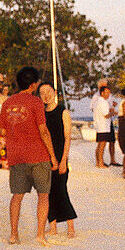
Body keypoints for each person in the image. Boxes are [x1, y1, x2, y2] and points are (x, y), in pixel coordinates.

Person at [0, 66, 58, 246]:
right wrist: (53, 157)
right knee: (43, 195)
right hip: (38, 155)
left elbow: (2, 129)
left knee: (17, 195)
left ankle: (14, 234)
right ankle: (40, 234)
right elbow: (43, 131)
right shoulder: (36, 103)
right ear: (33, 84)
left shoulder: (8, 103)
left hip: (17, 156)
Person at [38, 81, 77, 237]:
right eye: (42, 93)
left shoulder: (63, 112)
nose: (46, 95)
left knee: (61, 191)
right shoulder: (40, 113)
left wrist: (63, 161)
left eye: (48, 91)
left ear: (54, 92)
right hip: (44, 157)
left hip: (60, 156)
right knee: (47, 193)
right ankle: (52, 226)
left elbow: (68, 138)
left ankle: (71, 227)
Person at [90, 83, 117, 168]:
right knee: (102, 145)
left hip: (100, 126)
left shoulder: (99, 102)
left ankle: (98, 162)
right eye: (107, 92)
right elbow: (106, 114)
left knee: (100, 145)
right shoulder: (103, 102)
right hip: (103, 126)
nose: (108, 94)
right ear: (102, 93)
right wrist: (113, 113)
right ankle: (100, 163)